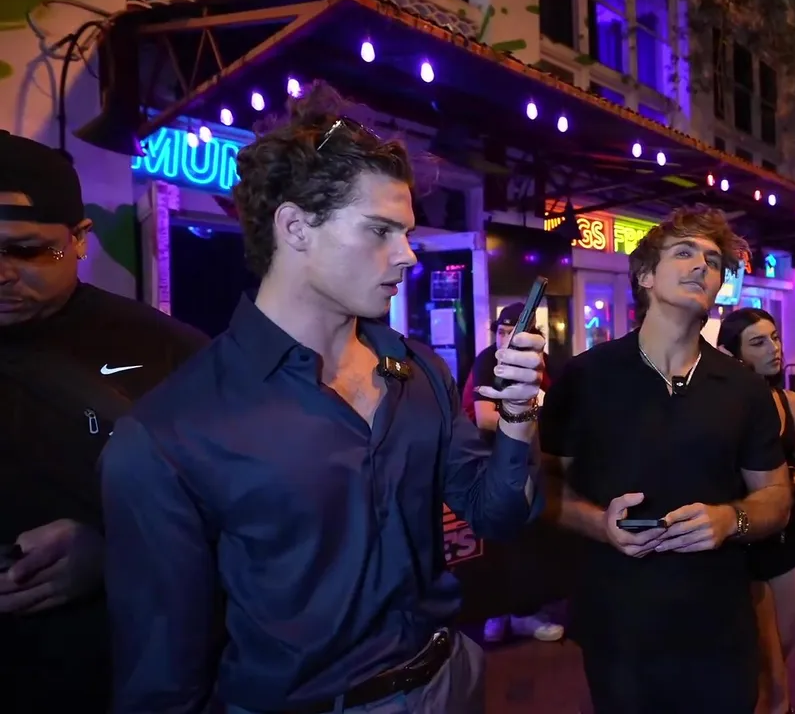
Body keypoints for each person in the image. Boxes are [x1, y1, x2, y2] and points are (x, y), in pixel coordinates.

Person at [98, 82, 545, 714]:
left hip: (450, 681)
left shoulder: (419, 370)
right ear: (295, 227)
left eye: (406, 232)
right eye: (380, 230)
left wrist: (519, 417)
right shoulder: (172, 431)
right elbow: (163, 680)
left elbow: (497, 517)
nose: (408, 256)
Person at [540, 204, 792, 714]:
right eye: (684, 253)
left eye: (713, 261)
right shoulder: (587, 377)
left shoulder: (743, 387)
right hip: (619, 620)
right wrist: (598, 524)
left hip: (719, 624)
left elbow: (777, 496)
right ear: (646, 276)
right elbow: (544, 488)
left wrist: (731, 519)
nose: (701, 265)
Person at [0, 131, 209, 713]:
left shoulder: (171, 355)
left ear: (80, 239)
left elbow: (242, 515)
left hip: (106, 679)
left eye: (26, 251)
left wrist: (115, 551)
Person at [716, 307, 795, 714]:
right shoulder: (720, 407)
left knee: (781, 653)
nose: (774, 348)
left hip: (788, 542)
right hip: (740, 543)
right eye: (758, 342)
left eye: (774, 337)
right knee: (760, 666)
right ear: (732, 354)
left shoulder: (791, 403)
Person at [464, 303, 564, 644]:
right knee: (498, 540)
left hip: (529, 461)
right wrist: (529, 418)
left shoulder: (543, 364)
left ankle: (523, 612)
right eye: (501, 331)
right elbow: (485, 418)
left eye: (512, 331)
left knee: (530, 537)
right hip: (488, 460)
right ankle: (498, 613)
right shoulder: (488, 360)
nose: (504, 338)